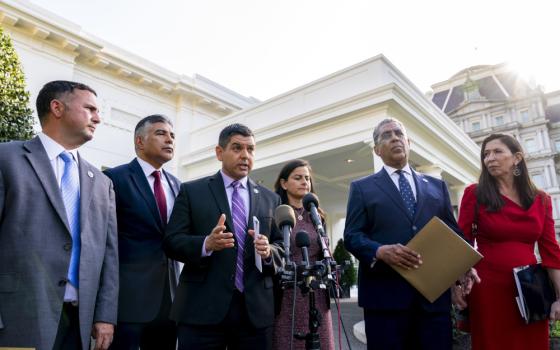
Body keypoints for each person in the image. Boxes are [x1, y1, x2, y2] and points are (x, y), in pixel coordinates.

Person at [0, 80, 118, 350]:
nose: (98, 118)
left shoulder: (102, 182)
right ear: (57, 107)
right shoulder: (6, 158)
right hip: (17, 319)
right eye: (90, 108)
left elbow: (109, 255)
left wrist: (105, 315)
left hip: (80, 324)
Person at [343, 118, 477, 349]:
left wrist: (464, 265)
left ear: (408, 141)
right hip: (385, 300)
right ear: (376, 149)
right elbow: (352, 236)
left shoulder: (437, 186)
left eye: (398, 133)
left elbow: (453, 234)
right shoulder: (362, 188)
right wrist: (379, 251)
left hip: (433, 301)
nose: (394, 137)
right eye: (386, 135)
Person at [163, 123, 284, 349]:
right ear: (220, 153)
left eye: (251, 149)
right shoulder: (192, 191)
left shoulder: (271, 199)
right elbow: (171, 242)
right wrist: (205, 244)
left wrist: (269, 252)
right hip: (202, 311)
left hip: (254, 313)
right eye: (237, 148)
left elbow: (281, 247)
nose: (245, 155)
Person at [454, 133, 560, 349]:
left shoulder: (542, 199)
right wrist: (455, 284)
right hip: (488, 289)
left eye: (497, 151)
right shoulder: (474, 194)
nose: (489, 158)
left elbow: (551, 251)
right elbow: (461, 243)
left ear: (517, 158)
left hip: (531, 289)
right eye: (485, 154)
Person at [103, 114, 181, 349]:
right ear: (139, 141)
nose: (169, 140)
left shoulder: (177, 185)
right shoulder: (113, 179)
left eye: (172, 136)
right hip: (127, 302)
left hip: (170, 301)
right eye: (161, 133)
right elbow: (106, 242)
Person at [272, 159, 335, 350]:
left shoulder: (316, 215)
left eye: (307, 178)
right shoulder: (277, 213)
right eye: (298, 178)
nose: (304, 182)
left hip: (317, 293)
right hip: (288, 293)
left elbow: (325, 250)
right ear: (284, 183)